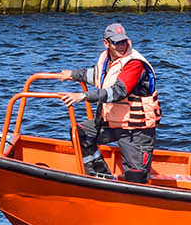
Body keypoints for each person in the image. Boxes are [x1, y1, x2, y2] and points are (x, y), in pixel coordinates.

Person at [60, 23, 162, 182]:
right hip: (112, 122)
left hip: (136, 130)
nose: (121, 46)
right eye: (117, 42)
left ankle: (132, 199)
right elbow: (96, 75)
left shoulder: (134, 64)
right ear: (106, 43)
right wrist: (73, 74)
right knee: (80, 133)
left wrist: (84, 96)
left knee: (135, 176)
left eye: (124, 42)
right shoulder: (106, 59)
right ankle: (100, 178)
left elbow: (118, 91)